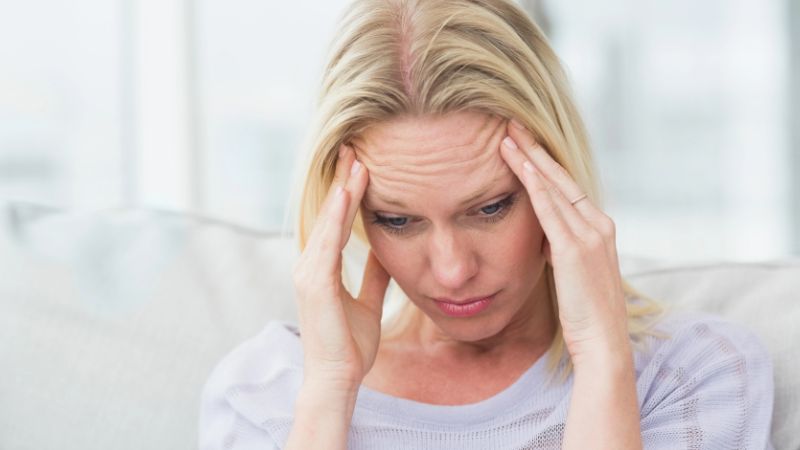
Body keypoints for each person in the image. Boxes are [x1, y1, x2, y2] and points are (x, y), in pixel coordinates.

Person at [198, 0, 775, 448]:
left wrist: (602, 361)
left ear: (558, 174)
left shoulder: (693, 375)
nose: (452, 271)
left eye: (490, 208)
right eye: (397, 220)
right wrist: (328, 391)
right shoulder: (264, 391)